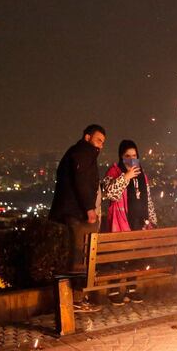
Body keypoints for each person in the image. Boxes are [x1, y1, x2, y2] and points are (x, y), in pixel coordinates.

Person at [49, 124, 106, 313]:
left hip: (70, 212)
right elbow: (81, 181)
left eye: (103, 142)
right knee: (80, 256)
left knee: (77, 256)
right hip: (75, 214)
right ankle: (76, 299)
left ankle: (75, 299)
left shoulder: (78, 152)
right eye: (98, 140)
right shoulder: (84, 151)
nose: (101, 145)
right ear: (87, 137)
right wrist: (89, 209)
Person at [100, 140, 158, 305]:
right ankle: (114, 290)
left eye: (134, 156)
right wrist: (125, 177)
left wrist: (152, 220)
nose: (131, 159)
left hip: (138, 222)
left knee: (134, 256)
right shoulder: (114, 171)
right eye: (127, 156)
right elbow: (110, 194)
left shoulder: (142, 175)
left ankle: (131, 289)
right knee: (116, 257)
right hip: (120, 221)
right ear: (121, 156)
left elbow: (148, 200)